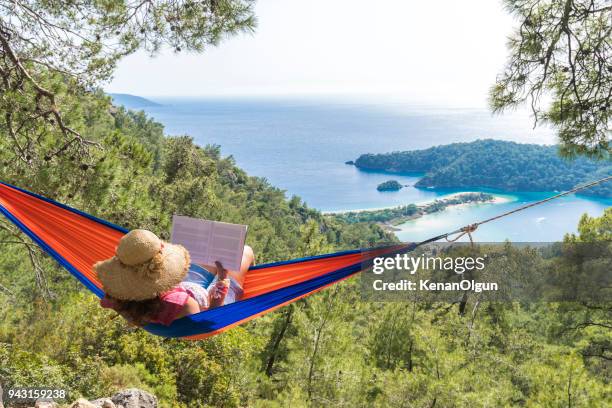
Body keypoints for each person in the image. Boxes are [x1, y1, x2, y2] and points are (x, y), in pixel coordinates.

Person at [94, 229, 254, 326]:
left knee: (215, 252)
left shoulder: (118, 294)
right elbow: (208, 321)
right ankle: (248, 284)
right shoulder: (181, 304)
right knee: (246, 251)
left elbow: (105, 302)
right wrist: (221, 282)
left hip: (181, 287)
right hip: (212, 300)